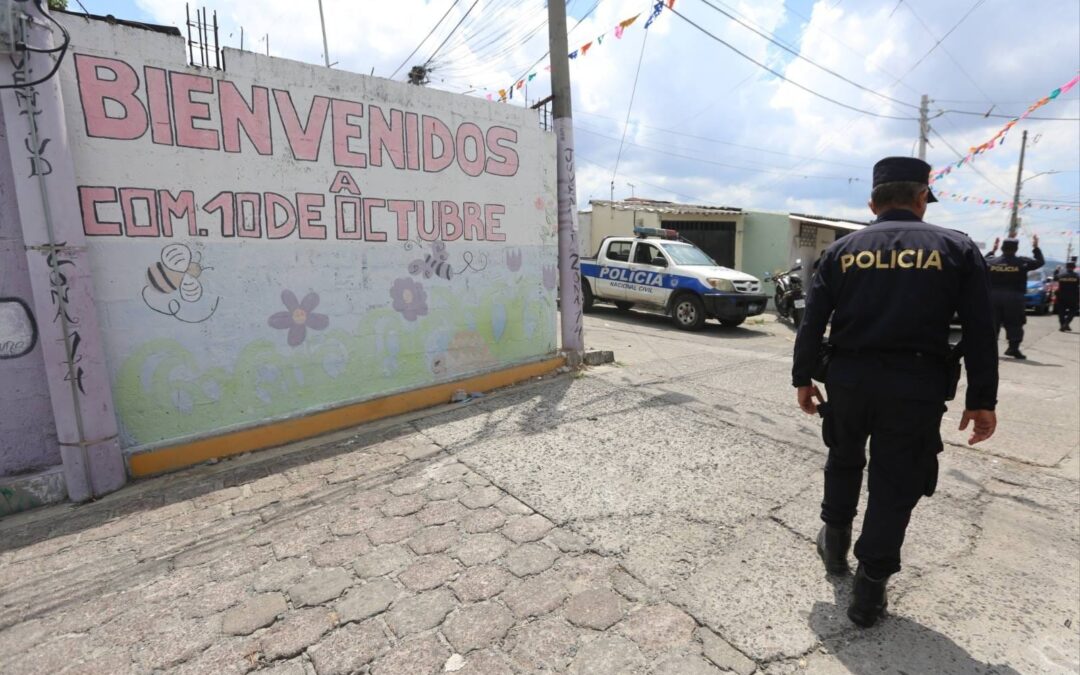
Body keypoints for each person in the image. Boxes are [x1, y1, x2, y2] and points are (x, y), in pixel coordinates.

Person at [792, 157, 998, 628]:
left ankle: (835, 546)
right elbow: (981, 330)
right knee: (895, 482)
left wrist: (803, 378)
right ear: (922, 197)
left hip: (848, 381)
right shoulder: (957, 248)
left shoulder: (842, 250)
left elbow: (812, 322)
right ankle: (869, 591)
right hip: (915, 389)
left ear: (872, 203)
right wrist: (981, 400)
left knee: (844, 459)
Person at [984, 235, 1044, 359]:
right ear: (1016, 249)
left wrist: (992, 251)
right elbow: (1040, 262)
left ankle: (989, 350)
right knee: (1015, 323)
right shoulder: (1022, 262)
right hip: (1014, 298)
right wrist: (1035, 247)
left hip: (993, 297)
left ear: (1002, 248)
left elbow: (981, 261)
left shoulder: (991, 261)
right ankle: (1013, 348)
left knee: (992, 323)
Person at [1057, 256, 1078, 332]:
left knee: (1061, 312)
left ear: (1066, 267)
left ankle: (1062, 325)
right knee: (1072, 311)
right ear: (1074, 267)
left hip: (1061, 296)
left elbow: (1055, 281)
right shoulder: (1077, 276)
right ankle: (1066, 323)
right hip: (1073, 297)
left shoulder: (1060, 275)